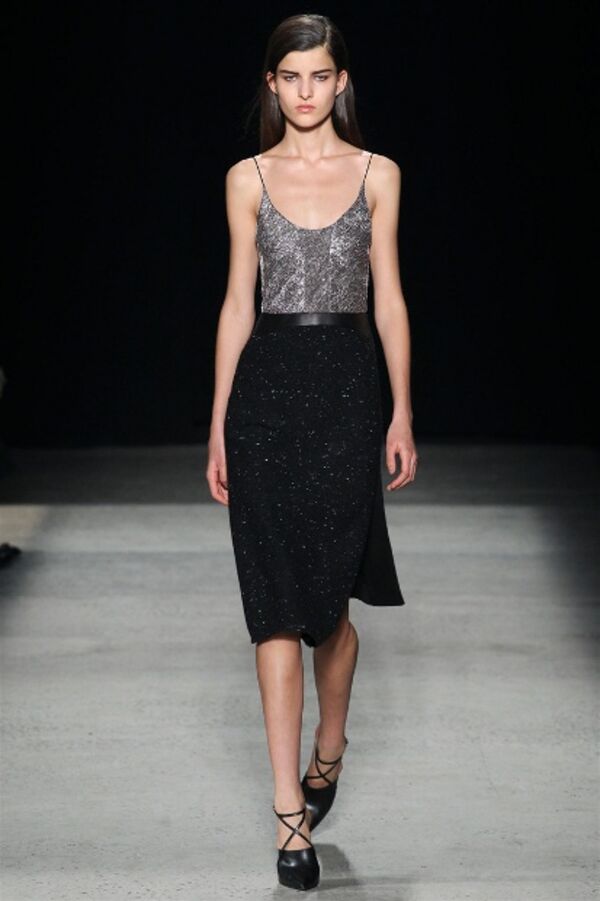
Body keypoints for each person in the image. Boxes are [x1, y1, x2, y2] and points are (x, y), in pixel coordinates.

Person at [206, 12, 417, 892]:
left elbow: (390, 299)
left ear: (341, 81)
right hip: (264, 399)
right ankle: (288, 807)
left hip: (346, 397)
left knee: (330, 613)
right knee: (274, 609)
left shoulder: (378, 174)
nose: (304, 91)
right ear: (272, 84)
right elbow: (237, 302)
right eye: (289, 77)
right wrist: (218, 420)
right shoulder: (246, 178)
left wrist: (401, 412)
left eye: (319, 75)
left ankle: (330, 744)